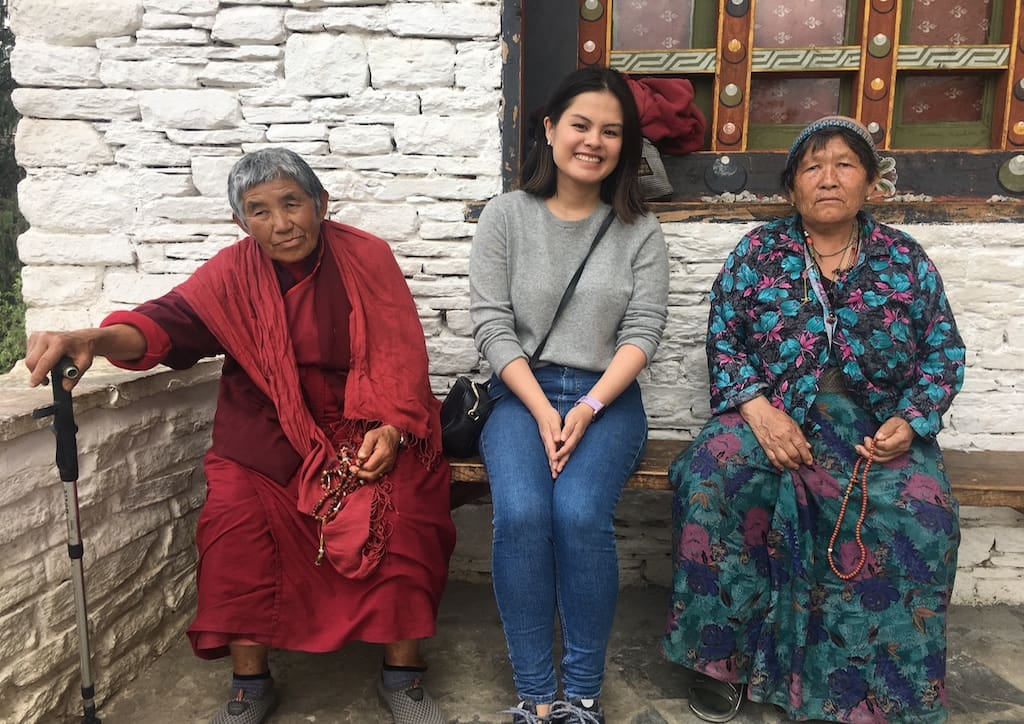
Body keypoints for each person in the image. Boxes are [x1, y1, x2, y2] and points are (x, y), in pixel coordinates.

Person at [25, 148, 456, 724]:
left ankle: (403, 675)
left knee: (403, 512)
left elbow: (403, 352)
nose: (281, 223)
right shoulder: (230, 276)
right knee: (235, 526)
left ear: (321, 204)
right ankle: (250, 685)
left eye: (292, 203)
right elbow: (165, 323)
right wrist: (96, 340)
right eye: (259, 211)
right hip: (264, 429)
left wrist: (395, 426)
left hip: (368, 422)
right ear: (240, 223)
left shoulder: (367, 256)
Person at [661, 116, 965, 723]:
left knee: (921, 509)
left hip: (870, 421)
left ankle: (874, 688)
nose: (828, 178)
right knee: (715, 477)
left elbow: (943, 351)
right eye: (812, 166)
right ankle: (722, 660)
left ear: (871, 184)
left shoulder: (904, 259)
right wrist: (758, 411)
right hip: (765, 411)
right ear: (793, 186)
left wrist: (913, 417)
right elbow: (724, 341)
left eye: (845, 165)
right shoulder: (758, 252)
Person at [469, 66, 670, 724]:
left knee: (580, 515)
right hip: (522, 395)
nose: (594, 141)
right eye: (581, 125)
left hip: (605, 400)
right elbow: (493, 326)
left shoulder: (637, 229)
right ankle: (535, 696)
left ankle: (581, 696)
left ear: (626, 146)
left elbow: (643, 333)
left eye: (611, 132)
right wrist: (542, 408)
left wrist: (584, 409)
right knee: (523, 516)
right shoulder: (505, 217)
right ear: (550, 129)